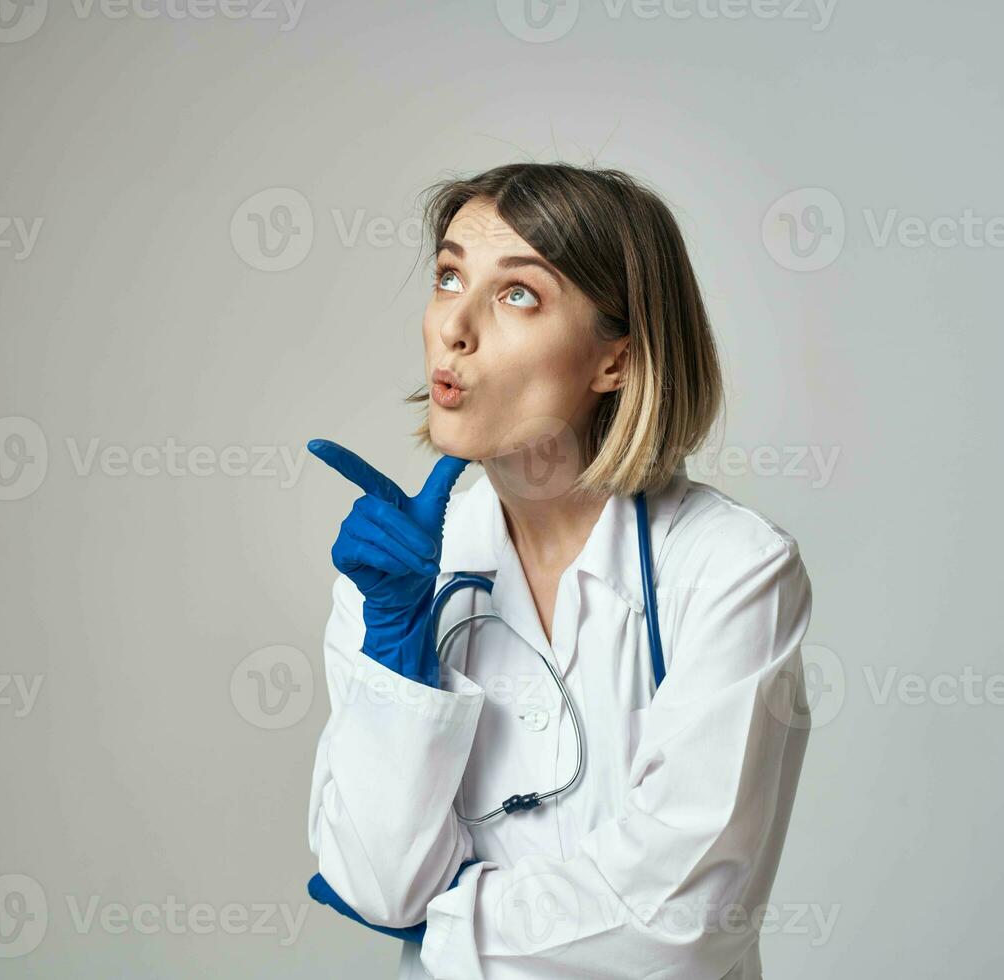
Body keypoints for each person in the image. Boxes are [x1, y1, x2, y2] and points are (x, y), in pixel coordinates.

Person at [305, 163, 814, 979]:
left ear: (614, 359)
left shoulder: (729, 569)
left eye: (517, 295)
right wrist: (395, 650)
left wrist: (443, 918)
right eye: (447, 278)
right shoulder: (397, 579)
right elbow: (374, 884)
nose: (454, 328)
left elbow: (680, 922)